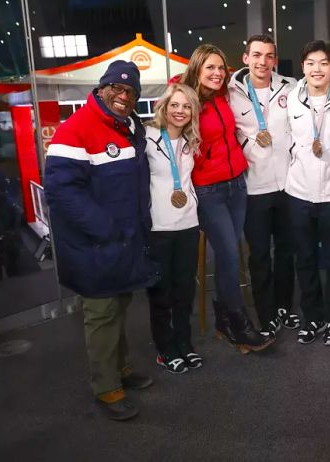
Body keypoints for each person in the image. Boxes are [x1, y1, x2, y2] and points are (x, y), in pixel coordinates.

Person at [44, 60, 157, 421]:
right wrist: (106, 228)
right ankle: (106, 388)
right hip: (96, 245)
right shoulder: (76, 129)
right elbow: (61, 191)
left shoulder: (127, 124)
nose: (124, 96)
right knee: (102, 314)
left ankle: (120, 370)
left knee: (118, 309)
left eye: (131, 92)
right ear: (102, 88)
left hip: (121, 242)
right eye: (117, 89)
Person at [179, 44, 272, 353]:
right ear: (196, 70)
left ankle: (223, 318)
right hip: (209, 191)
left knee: (230, 256)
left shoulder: (225, 95)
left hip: (237, 185)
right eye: (210, 68)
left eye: (221, 68)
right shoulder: (187, 100)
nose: (217, 73)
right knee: (231, 256)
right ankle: (240, 323)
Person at [228, 34, 300, 338]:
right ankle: (267, 313)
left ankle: (285, 306)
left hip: (288, 185)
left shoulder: (292, 87)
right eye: (256, 55)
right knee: (259, 255)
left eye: (269, 56)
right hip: (253, 187)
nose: (262, 61)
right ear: (246, 58)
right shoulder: (229, 92)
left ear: (275, 59)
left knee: (286, 252)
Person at [284, 40, 330, 346]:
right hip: (298, 194)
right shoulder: (291, 98)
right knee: (306, 260)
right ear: (303, 67)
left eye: (324, 63)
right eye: (311, 63)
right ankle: (312, 317)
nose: (317, 69)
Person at [144, 83, 203, 374]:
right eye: (175, 105)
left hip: (188, 223)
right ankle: (165, 348)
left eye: (187, 106)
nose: (180, 111)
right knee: (161, 291)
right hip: (158, 226)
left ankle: (184, 342)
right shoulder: (146, 136)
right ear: (164, 107)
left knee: (184, 290)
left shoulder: (191, 141)